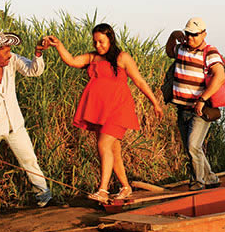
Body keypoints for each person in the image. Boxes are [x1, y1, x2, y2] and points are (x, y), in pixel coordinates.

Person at [45, 24, 164, 203]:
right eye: (95, 42)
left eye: (101, 41)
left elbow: (139, 81)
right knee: (113, 150)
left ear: (110, 39)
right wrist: (59, 45)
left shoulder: (122, 57)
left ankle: (103, 190)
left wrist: (155, 103)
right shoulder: (92, 57)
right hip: (101, 111)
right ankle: (126, 187)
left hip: (119, 108)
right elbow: (72, 61)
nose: (98, 45)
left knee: (103, 145)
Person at [0, 30, 52, 226]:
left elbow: (33, 70)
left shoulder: (12, 61)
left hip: (14, 124)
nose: (9, 54)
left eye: (9, 50)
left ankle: (44, 198)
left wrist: (38, 53)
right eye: (5, 51)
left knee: (29, 160)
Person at [166, 17, 225, 190]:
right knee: (191, 148)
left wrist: (202, 99)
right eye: (187, 34)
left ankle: (198, 182)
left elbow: (220, 77)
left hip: (200, 109)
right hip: (182, 108)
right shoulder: (181, 49)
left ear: (203, 34)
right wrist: (173, 35)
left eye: (194, 34)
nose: (190, 38)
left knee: (193, 146)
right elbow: (169, 51)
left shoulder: (209, 52)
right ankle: (211, 178)